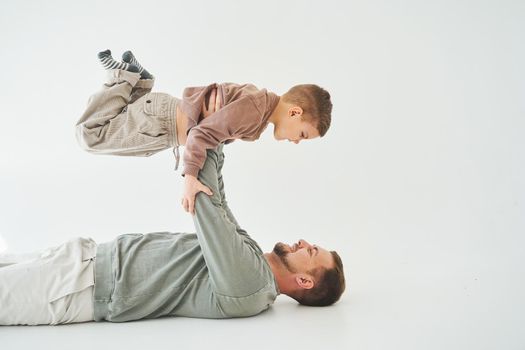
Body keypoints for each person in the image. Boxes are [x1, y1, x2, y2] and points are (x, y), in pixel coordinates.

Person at [0, 146, 345, 326]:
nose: (304, 241)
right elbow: (220, 201)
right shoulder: (253, 255)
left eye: (312, 251)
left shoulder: (252, 286)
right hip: (89, 258)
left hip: (80, 287)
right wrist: (221, 136)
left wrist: (210, 133)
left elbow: (207, 207)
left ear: (304, 281)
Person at [76, 50, 333, 214]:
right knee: (89, 136)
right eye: (302, 135)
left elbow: (215, 116)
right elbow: (201, 134)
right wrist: (189, 177)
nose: (296, 142)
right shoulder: (256, 111)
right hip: (159, 123)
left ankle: (139, 81)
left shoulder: (260, 104)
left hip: (162, 121)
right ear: (294, 113)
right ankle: (124, 78)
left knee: (117, 132)